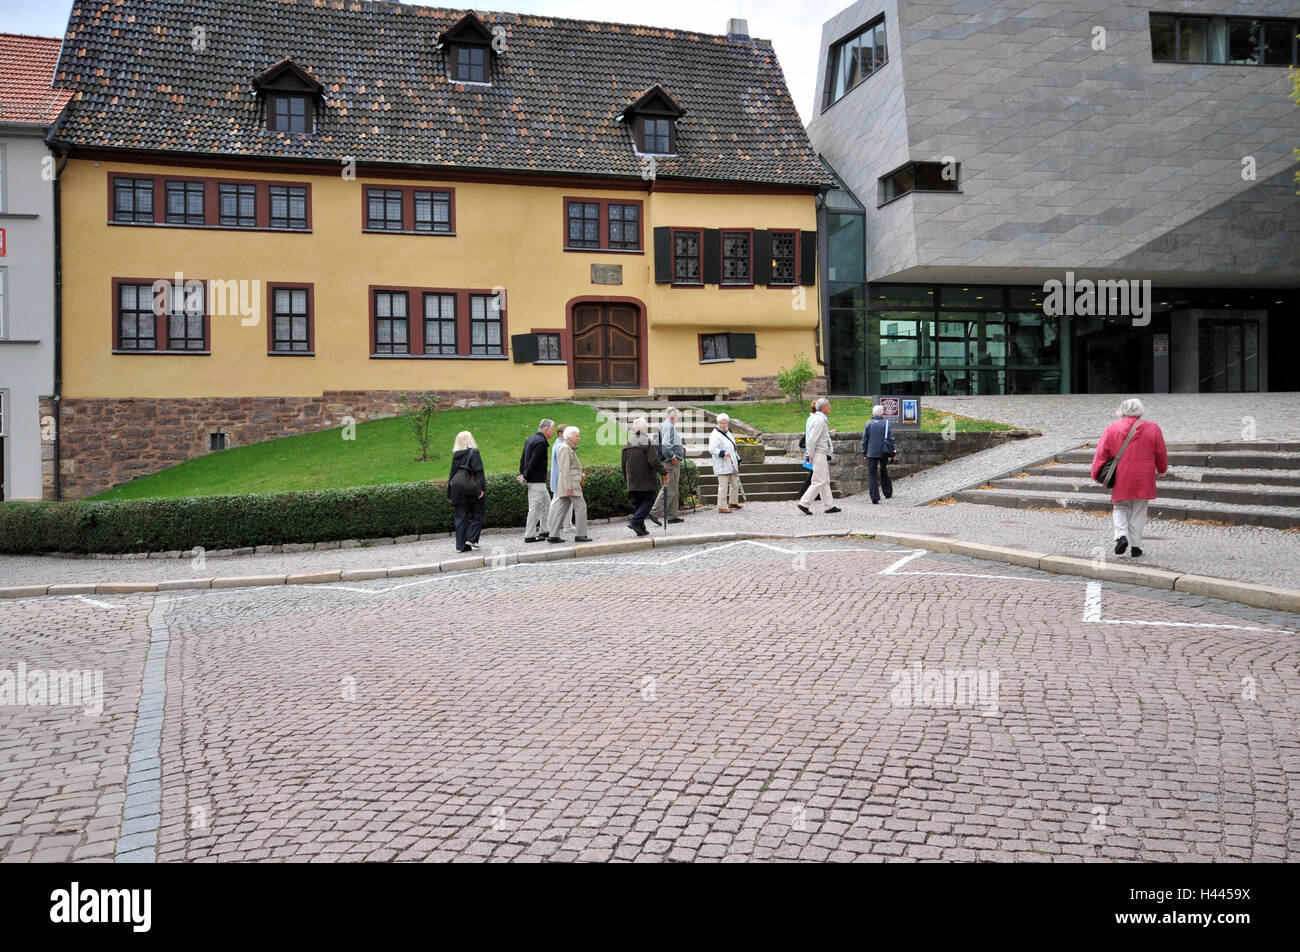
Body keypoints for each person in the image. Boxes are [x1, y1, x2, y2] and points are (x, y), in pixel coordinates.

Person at [1090, 398, 1168, 558]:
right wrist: (1161, 471)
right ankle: (1136, 547)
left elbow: (1101, 454)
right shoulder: (1153, 428)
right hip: (1144, 475)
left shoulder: (1112, 429)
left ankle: (1121, 536)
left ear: (1122, 410)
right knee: (1139, 510)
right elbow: (1160, 452)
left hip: (1122, 474)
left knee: (1120, 507)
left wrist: (1096, 473)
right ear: (1140, 410)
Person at [622, 417, 669, 536]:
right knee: (648, 501)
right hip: (646, 481)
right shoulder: (647, 442)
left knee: (637, 504)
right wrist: (664, 471)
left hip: (632, 481)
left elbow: (623, 464)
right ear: (644, 429)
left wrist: (626, 479)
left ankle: (641, 528)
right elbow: (654, 461)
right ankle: (635, 522)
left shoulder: (627, 443)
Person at [547, 426, 593, 543]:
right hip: (570, 485)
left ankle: (553, 535)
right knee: (581, 507)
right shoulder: (565, 448)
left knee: (561, 509)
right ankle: (580, 535)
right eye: (577, 436)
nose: (579, 438)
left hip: (568, 484)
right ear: (570, 437)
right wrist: (568, 487)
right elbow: (564, 469)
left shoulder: (567, 448)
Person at [797, 397, 841, 515]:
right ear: (823, 407)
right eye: (828, 405)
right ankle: (804, 503)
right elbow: (812, 439)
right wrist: (809, 454)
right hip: (818, 453)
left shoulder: (820, 419)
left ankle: (829, 505)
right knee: (818, 481)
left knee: (824, 480)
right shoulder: (819, 420)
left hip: (820, 453)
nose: (830, 406)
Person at [447, 430, 486, 553]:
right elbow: (479, 471)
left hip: (458, 491)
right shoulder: (474, 453)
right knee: (478, 514)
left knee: (461, 518)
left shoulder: (456, 455)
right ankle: (471, 538)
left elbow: (452, 475)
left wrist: (449, 493)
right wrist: (482, 489)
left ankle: (461, 546)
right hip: (472, 489)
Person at [518, 418, 555, 542]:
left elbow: (523, 458)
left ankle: (545, 530)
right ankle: (530, 535)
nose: (553, 432)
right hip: (537, 481)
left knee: (546, 504)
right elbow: (534, 461)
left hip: (536, 481)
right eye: (552, 429)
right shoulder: (541, 442)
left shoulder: (530, 439)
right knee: (535, 508)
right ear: (546, 429)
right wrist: (525, 475)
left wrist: (522, 473)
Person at [652, 407, 687, 525]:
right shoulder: (669, 426)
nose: (677, 418)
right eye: (677, 416)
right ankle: (654, 512)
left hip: (665, 461)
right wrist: (673, 456)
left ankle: (672, 516)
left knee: (672, 488)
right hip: (669, 463)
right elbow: (666, 446)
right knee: (669, 488)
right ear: (673, 416)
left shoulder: (664, 425)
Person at [860, 404, 896, 505]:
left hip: (871, 452)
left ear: (873, 413)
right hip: (884, 451)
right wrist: (893, 452)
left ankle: (874, 497)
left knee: (872, 474)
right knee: (884, 470)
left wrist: (864, 452)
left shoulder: (869, 424)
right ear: (882, 413)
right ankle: (887, 492)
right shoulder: (886, 423)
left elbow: (864, 439)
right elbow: (890, 438)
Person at [708, 413, 743, 513]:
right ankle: (722, 506)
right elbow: (711, 449)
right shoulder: (714, 435)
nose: (723, 425)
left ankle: (733, 502)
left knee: (735, 484)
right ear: (717, 423)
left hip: (731, 463)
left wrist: (738, 459)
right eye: (720, 423)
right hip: (722, 463)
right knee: (723, 486)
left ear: (727, 423)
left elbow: (733, 448)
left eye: (724, 423)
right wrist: (722, 453)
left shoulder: (728, 433)